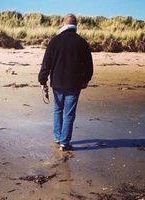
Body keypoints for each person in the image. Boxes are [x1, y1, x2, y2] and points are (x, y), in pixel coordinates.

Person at [38, 13, 93, 151]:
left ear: (63, 24)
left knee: (58, 110)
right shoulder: (81, 42)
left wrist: (42, 80)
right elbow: (88, 65)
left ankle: (58, 137)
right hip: (74, 84)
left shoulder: (54, 41)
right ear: (76, 25)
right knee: (69, 113)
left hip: (57, 82)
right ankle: (64, 142)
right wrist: (86, 79)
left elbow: (46, 63)